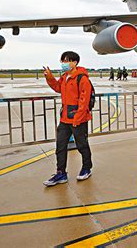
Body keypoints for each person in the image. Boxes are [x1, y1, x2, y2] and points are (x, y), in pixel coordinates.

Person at [42, 51, 93, 186]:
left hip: (78, 118)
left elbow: (84, 100)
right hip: (65, 119)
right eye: (62, 61)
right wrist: (50, 78)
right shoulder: (64, 77)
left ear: (75, 62)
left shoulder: (82, 79)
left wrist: (78, 118)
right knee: (60, 146)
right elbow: (58, 88)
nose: (63, 63)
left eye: (66, 61)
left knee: (82, 145)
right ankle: (61, 173)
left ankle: (87, 168)